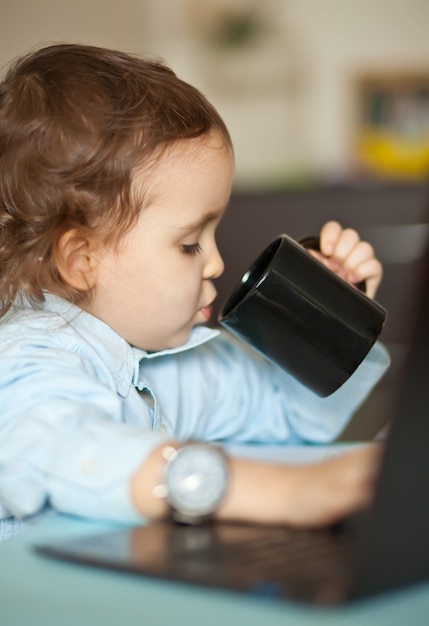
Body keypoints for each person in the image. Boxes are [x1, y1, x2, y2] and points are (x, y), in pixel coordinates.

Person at [0, 44, 389, 537]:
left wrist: (326, 321)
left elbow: (293, 417)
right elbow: (64, 449)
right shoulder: (24, 359)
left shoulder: (173, 361)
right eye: (189, 244)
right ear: (82, 260)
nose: (218, 262)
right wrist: (282, 493)